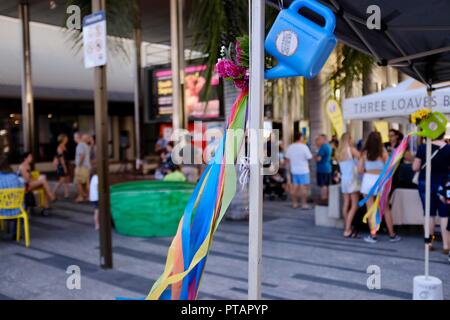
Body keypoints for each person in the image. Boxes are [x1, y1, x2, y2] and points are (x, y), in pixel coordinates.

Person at [359, 132, 401, 243]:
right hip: (380, 182)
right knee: (386, 208)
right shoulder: (383, 151)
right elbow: (389, 167)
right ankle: (392, 234)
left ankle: (373, 235)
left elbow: (359, 170)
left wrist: (367, 170)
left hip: (367, 181)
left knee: (370, 209)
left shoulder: (364, 153)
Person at [413, 133, 450, 254]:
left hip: (425, 183)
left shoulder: (423, 148)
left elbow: (415, 167)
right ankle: (446, 245)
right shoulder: (448, 148)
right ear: (443, 133)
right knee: (445, 214)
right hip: (443, 184)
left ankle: (428, 243)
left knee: (429, 213)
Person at [336, 133, 361, 238]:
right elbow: (362, 158)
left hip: (344, 179)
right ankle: (347, 229)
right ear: (349, 139)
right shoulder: (351, 149)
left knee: (346, 204)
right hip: (352, 179)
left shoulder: (339, 152)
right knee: (354, 205)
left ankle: (347, 227)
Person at [285, 132, 313, 209]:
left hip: (294, 170)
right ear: (300, 138)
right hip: (304, 170)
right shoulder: (304, 147)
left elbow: (287, 159)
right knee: (303, 188)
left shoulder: (290, 147)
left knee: (295, 188)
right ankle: (304, 204)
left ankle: (294, 203)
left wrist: (288, 171)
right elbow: (309, 157)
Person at [315, 134, 332, 203]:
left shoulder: (323, 147)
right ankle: (326, 198)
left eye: (319, 139)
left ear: (324, 139)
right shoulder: (328, 146)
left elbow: (318, 158)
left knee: (323, 185)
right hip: (328, 168)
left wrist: (314, 157)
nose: (318, 141)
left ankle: (324, 199)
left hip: (322, 168)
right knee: (326, 185)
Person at [74, 133, 91, 203]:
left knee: (78, 182)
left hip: (82, 167)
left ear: (78, 137)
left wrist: (78, 165)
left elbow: (82, 156)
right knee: (86, 183)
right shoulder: (85, 145)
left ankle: (81, 197)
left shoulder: (80, 145)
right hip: (87, 167)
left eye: (74, 137)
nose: (74, 139)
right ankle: (89, 196)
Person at [53, 134, 70, 199]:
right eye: (66, 138)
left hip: (66, 164)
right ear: (63, 139)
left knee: (66, 179)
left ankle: (66, 193)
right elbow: (61, 159)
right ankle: (53, 192)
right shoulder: (60, 147)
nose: (67, 139)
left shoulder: (64, 146)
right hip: (62, 165)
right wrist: (65, 167)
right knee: (62, 180)